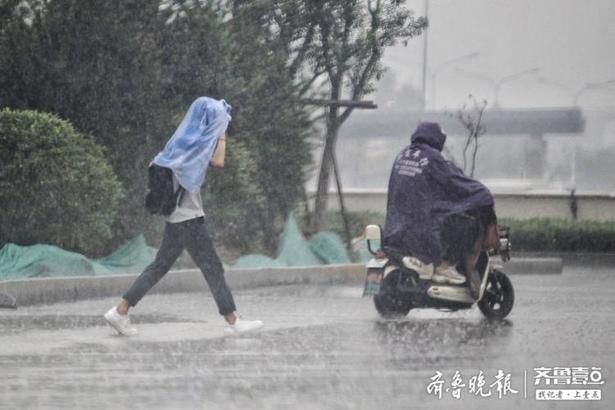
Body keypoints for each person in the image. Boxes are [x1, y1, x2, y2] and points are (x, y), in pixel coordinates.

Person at [104, 97, 263, 336]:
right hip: (190, 219)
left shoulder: (179, 143)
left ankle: (120, 311)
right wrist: (221, 135)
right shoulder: (198, 147)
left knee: (159, 267)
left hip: (176, 218)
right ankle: (233, 320)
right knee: (212, 269)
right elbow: (218, 161)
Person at [383, 122, 499, 288]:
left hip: (395, 229)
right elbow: (454, 181)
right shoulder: (432, 158)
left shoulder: (403, 155)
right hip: (421, 232)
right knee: (462, 227)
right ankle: (443, 265)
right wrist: (481, 194)